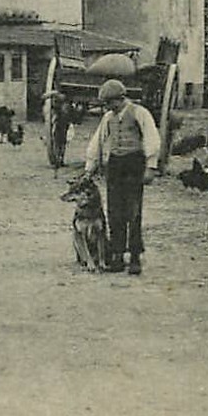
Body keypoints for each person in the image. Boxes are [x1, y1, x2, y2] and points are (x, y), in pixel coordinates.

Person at [83, 79, 159, 275]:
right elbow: (98, 141)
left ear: (121, 98)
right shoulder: (108, 117)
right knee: (114, 211)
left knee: (133, 212)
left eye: (110, 103)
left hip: (134, 164)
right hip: (115, 165)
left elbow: (152, 138)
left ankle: (134, 256)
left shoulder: (139, 113)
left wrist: (150, 166)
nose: (108, 107)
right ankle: (117, 255)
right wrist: (90, 167)